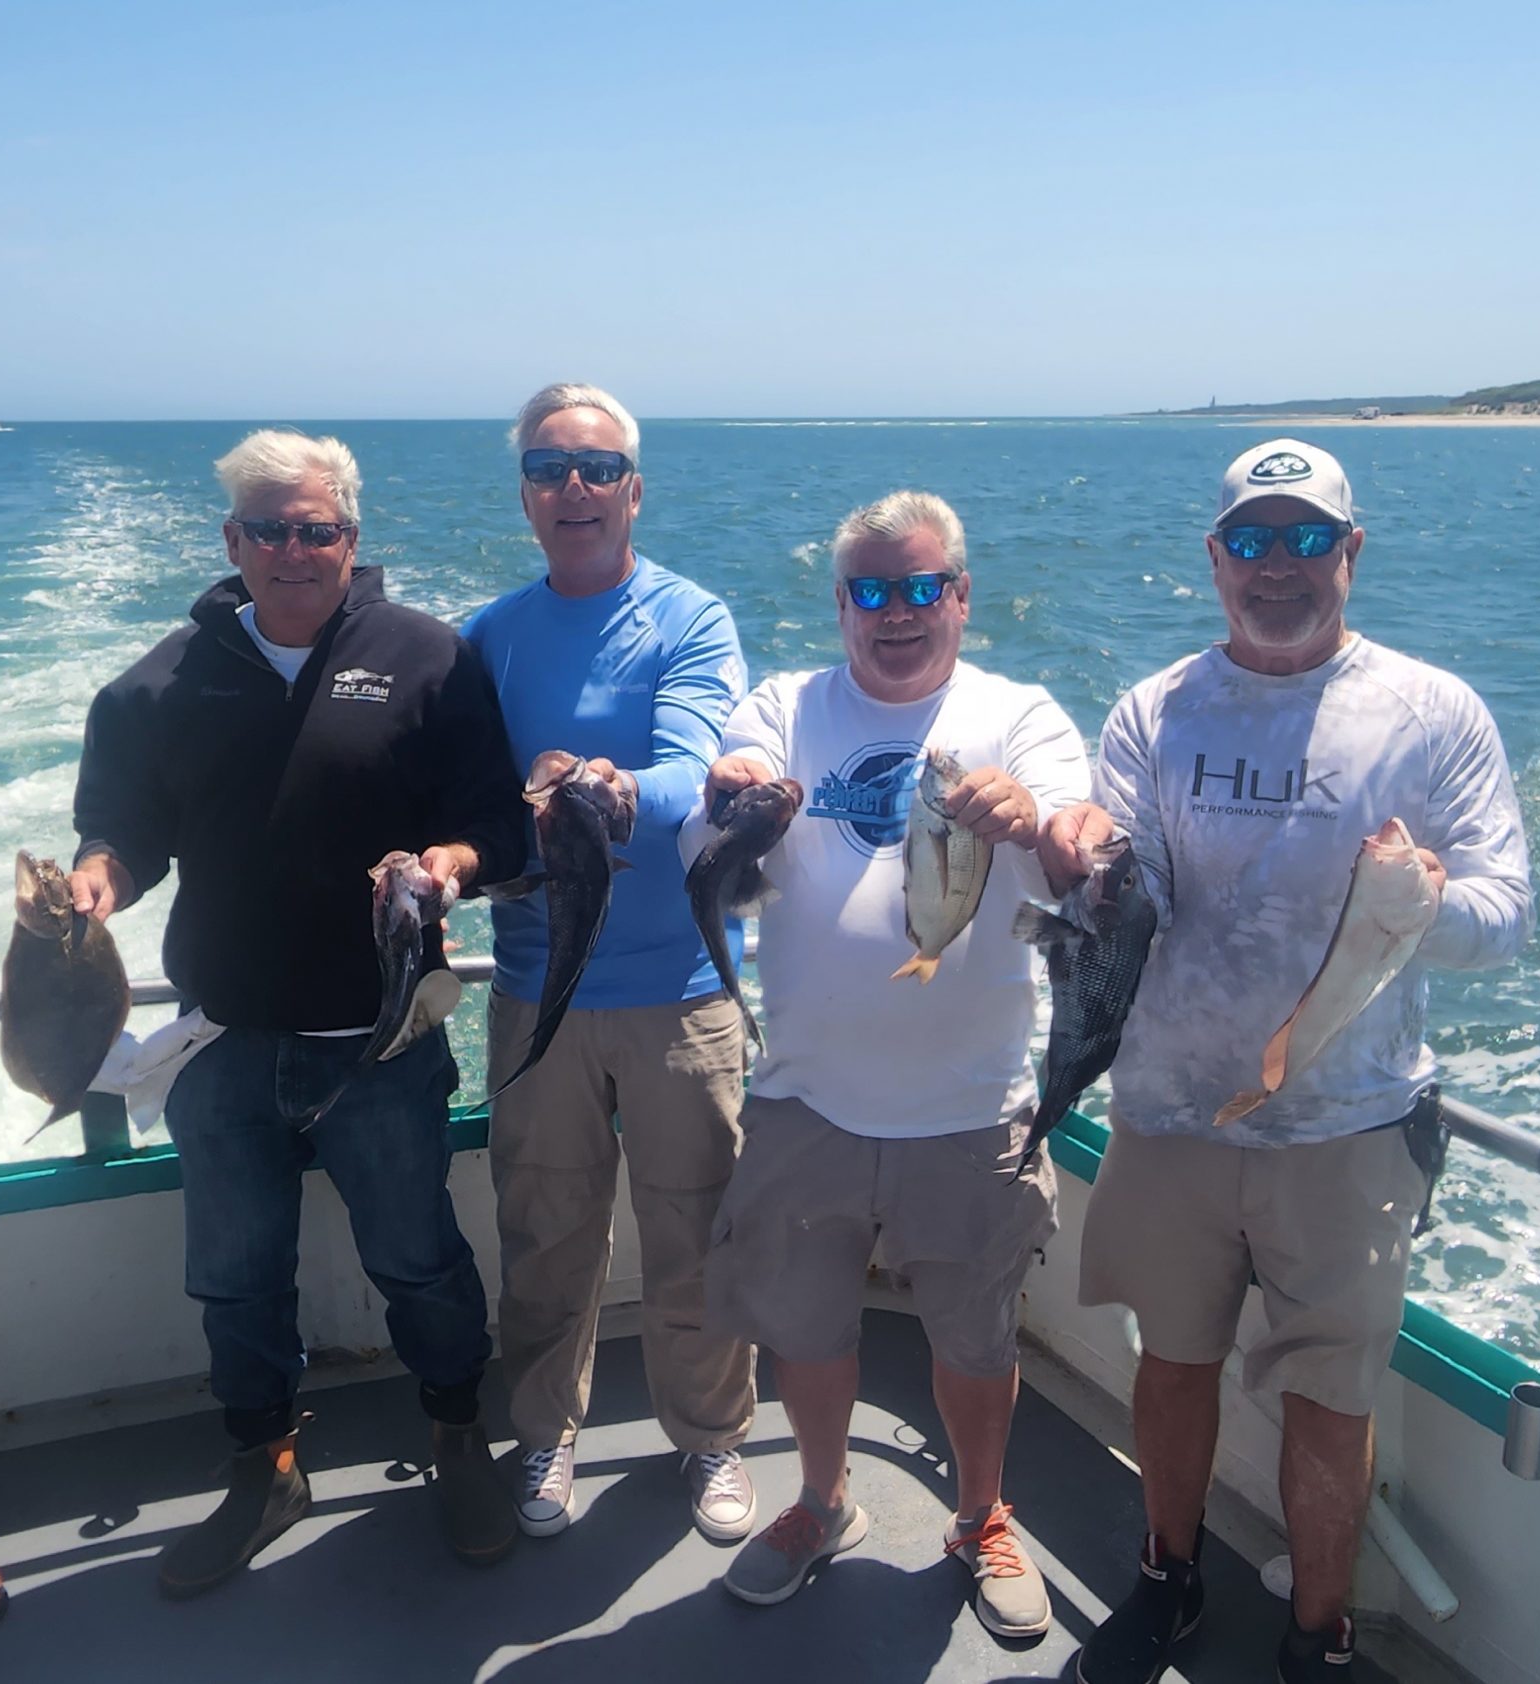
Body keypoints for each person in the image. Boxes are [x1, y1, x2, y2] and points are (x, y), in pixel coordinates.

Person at [1042, 439, 1533, 1684]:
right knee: (1173, 1358)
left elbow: (1506, 917)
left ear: (1350, 553)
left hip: (1348, 1122)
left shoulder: (1433, 712)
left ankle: (1322, 1634)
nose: (1277, 565)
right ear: (1214, 559)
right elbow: (1132, 889)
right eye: (1251, 540)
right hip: (1168, 1108)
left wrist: (1422, 906)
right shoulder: (1154, 709)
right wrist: (1083, 859)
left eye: (1305, 537)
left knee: (1330, 1398)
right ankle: (1169, 1573)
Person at [67, 429, 531, 1595]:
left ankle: (456, 1435)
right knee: (233, 1274)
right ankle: (265, 1463)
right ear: (231, 542)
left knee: (417, 1259)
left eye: (314, 527)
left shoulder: (429, 658)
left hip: (379, 1037)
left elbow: (503, 825)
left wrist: (451, 862)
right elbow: (123, 835)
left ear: (350, 539)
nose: (291, 548)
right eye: (266, 529)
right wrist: (95, 882)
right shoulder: (157, 685)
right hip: (223, 1042)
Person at [691, 491, 1086, 1639]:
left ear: (961, 596)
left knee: (976, 1337)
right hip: (807, 1097)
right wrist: (740, 777)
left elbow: (1076, 847)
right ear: (841, 604)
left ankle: (979, 1514)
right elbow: (738, 767)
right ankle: (822, 1502)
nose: (897, 613)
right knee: (805, 1328)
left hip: (972, 1111)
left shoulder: (1018, 715)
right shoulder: (788, 702)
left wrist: (1034, 817)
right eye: (871, 590)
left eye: (922, 588)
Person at [463, 382, 758, 1543]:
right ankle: (545, 1429)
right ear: (525, 495)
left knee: (699, 1230)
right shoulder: (486, 637)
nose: (572, 488)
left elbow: (706, 768)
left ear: (633, 489)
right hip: (539, 990)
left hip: (683, 993)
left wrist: (616, 789)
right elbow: (465, 804)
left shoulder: (691, 619)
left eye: (595, 468)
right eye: (548, 467)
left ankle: (714, 1437)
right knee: (546, 1234)